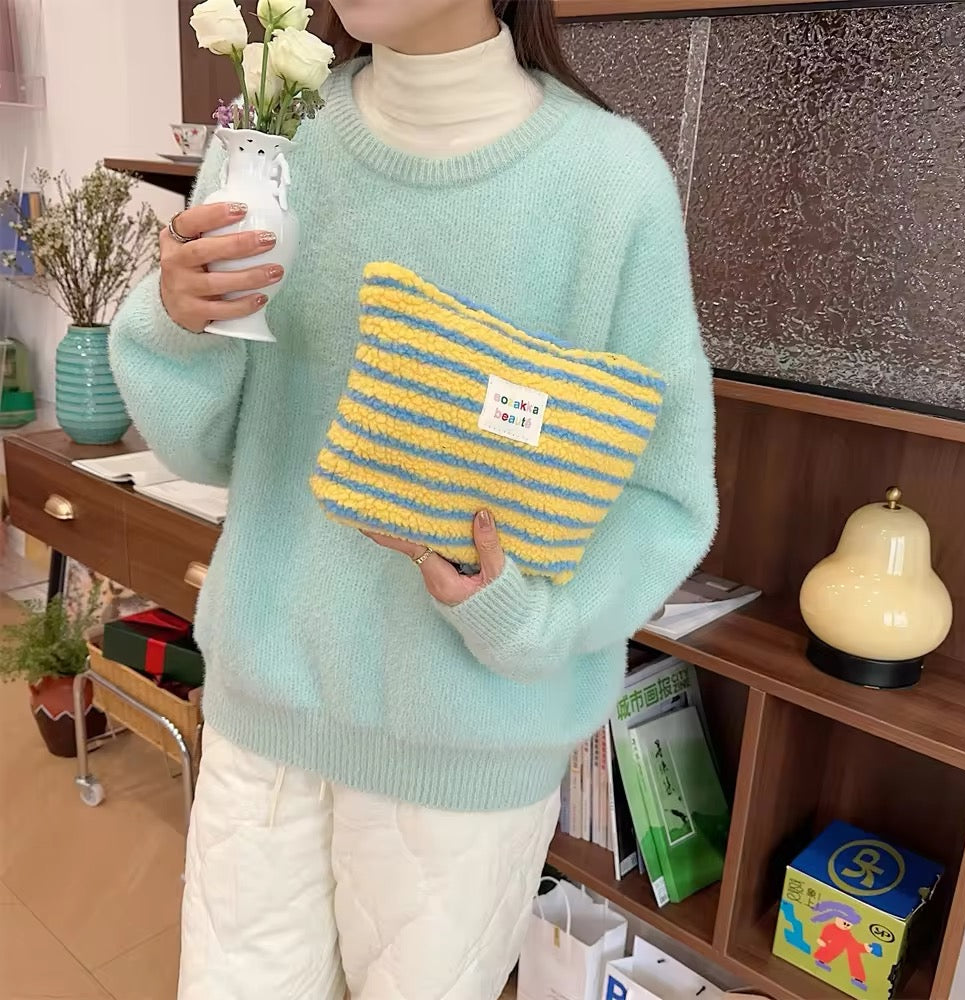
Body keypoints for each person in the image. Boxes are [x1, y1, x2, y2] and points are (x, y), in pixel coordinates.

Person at [110, 1, 717, 997]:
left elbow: (660, 490)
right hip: (266, 717)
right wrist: (174, 321)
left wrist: (525, 618)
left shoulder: (609, 181)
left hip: (467, 748)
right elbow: (211, 446)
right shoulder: (273, 147)